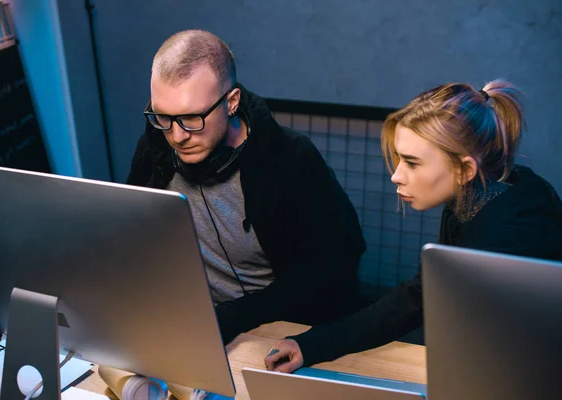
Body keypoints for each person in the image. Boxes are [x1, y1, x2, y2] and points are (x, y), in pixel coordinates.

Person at [265, 80, 562, 373]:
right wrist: (311, 345)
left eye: (412, 163)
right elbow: (421, 295)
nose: (396, 175)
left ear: (465, 169)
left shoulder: (509, 236)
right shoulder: (478, 194)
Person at [126, 30, 366, 345]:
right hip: (197, 326)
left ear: (232, 101)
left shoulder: (292, 159)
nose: (177, 135)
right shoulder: (154, 147)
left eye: (191, 118)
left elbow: (328, 271)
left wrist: (234, 317)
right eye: (163, 117)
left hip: (282, 331)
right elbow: (135, 236)